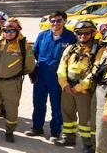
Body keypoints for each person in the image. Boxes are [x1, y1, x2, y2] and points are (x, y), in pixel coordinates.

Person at [0, 18, 36, 142]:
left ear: (18, 31)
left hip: (12, 83)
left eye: (11, 30)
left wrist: (14, 75)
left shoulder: (24, 46)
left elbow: (29, 67)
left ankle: (10, 131)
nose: (8, 33)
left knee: (11, 108)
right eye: (5, 30)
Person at [55, 21, 104, 153]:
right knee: (67, 113)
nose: (83, 36)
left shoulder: (99, 51)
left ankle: (88, 145)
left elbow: (95, 71)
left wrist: (79, 87)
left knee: (86, 119)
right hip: (67, 88)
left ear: (93, 33)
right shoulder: (70, 48)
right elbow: (61, 67)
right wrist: (64, 84)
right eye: (79, 33)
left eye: (87, 33)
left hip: (84, 91)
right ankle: (68, 138)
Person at [26, 10, 77, 140]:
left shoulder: (71, 37)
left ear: (64, 21)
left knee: (57, 106)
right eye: (53, 21)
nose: (55, 23)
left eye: (59, 20)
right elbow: (34, 53)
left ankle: (55, 132)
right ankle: (37, 128)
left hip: (58, 78)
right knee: (38, 103)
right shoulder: (42, 35)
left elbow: (74, 58)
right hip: (41, 76)